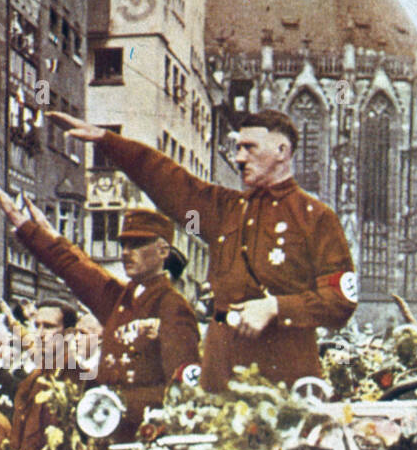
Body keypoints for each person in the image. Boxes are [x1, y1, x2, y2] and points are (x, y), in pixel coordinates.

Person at [48, 109, 356, 391]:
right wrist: (107, 140)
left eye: (249, 147)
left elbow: (341, 299)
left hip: (286, 382)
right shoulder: (226, 210)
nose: (238, 157)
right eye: (237, 148)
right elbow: (169, 180)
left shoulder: (315, 218)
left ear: (282, 151)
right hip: (222, 380)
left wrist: (276, 307)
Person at [0, 186, 200, 450]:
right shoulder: (123, 299)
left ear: (163, 251)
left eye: (138, 244)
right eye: (124, 244)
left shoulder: (171, 306)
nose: (126, 252)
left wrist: (114, 405)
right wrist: (28, 229)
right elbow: (75, 268)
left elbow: (182, 392)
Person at [10, 302, 80, 450]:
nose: (40, 334)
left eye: (48, 327)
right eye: (37, 326)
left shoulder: (78, 376)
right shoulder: (34, 376)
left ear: (69, 334)